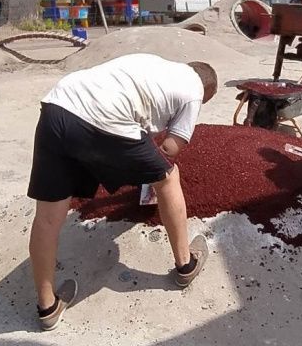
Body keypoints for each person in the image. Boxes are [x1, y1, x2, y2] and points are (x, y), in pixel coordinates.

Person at [27, 53, 218, 330]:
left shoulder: (155, 65)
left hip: (57, 105)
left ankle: (47, 307)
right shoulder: (195, 92)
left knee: (47, 217)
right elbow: (169, 149)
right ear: (207, 92)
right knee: (169, 177)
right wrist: (145, 169)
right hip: (104, 118)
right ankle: (185, 266)